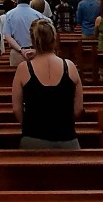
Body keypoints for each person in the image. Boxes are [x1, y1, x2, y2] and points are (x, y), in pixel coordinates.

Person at [12, 19, 83, 150]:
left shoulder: (24, 69)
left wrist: (29, 126)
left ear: (32, 41)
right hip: (67, 140)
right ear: (54, 38)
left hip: (33, 139)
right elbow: (78, 108)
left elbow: (16, 109)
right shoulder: (70, 66)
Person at [3, 0, 45, 67]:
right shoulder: (38, 15)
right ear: (29, 0)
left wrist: (21, 50)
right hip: (36, 52)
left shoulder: (10, 15)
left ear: (16, 0)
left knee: (17, 76)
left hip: (17, 53)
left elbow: (7, 36)